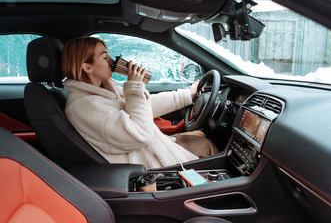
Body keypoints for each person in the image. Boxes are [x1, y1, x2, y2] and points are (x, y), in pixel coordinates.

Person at [61, 36, 218, 169]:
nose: (112, 60)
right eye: (104, 57)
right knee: (208, 147)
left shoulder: (103, 91)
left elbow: (143, 108)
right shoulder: (87, 107)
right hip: (147, 165)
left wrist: (187, 95)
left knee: (200, 138)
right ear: (88, 67)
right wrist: (135, 88)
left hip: (150, 150)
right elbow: (141, 135)